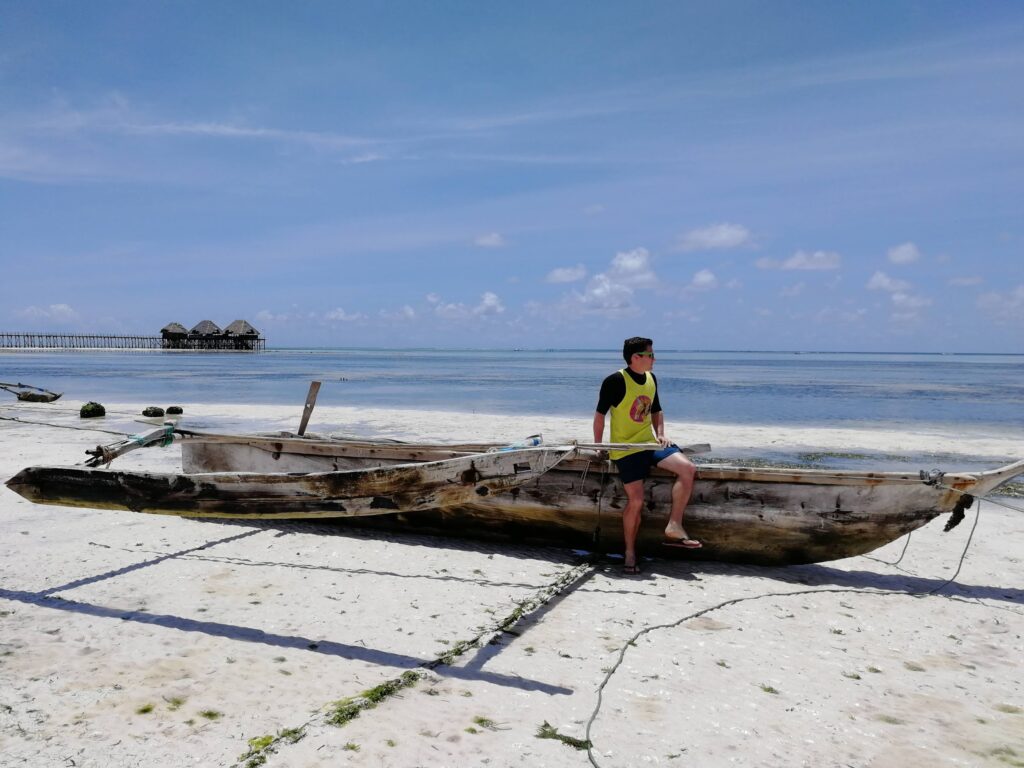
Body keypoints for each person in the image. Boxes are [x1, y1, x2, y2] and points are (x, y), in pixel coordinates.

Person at [593, 337, 699, 574]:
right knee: (637, 500)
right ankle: (630, 552)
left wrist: (661, 434)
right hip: (626, 449)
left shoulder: (651, 379)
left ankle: (674, 525)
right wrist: (599, 446)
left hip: (649, 443)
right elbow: (600, 415)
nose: (654, 359)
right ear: (635, 358)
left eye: (653, 354)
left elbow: (656, 410)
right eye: (650, 355)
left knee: (688, 469)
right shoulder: (615, 380)